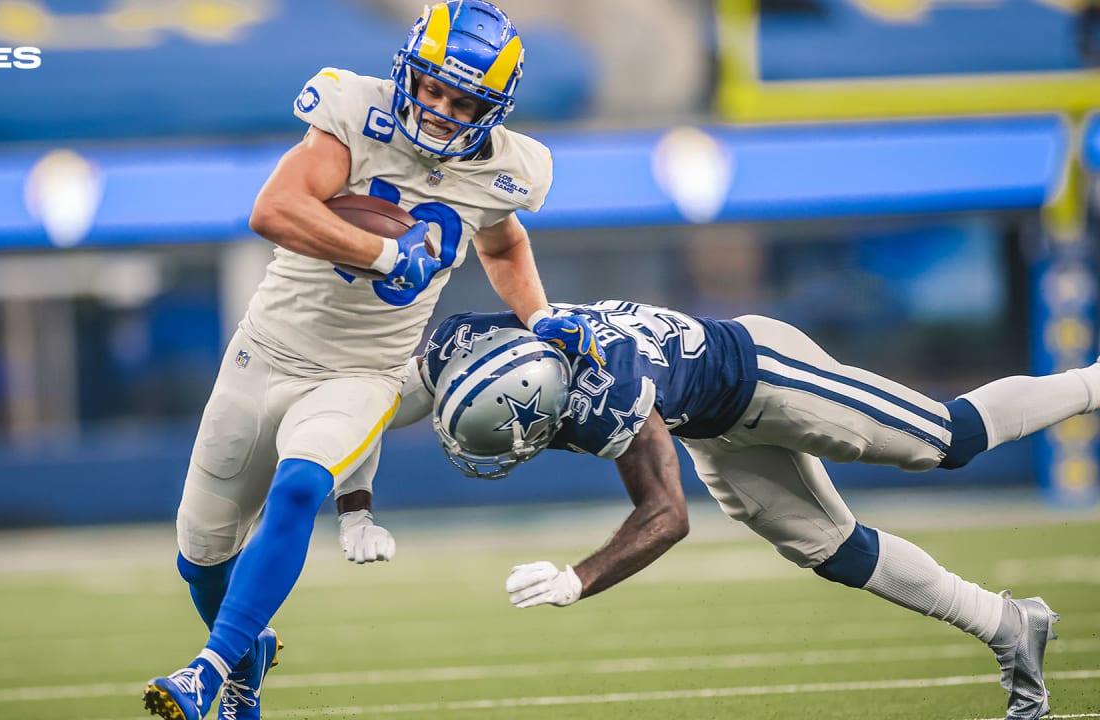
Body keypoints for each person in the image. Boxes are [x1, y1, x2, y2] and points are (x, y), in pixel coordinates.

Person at [141, 3, 606, 719]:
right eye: (431, 87)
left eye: (464, 100)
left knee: (301, 485)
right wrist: (386, 252)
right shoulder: (355, 112)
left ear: (495, 107)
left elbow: (503, 242)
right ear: (407, 71)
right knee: (199, 559)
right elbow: (273, 208)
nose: (441, 108)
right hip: (263, 352)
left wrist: (538, 315)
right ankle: (246, 656)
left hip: (366, 371)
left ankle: (206, 672)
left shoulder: (505, 168)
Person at [339, 299, 1099, 720]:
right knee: (832, 550)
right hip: (710, 423)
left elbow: (667, 515)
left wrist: (579, 578)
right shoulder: (462, 348)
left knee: (944, 438)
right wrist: (355, 505)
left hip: (764, 373)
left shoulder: (608, 391)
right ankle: (1009, 625)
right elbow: (367, 407)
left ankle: (1094, 379)